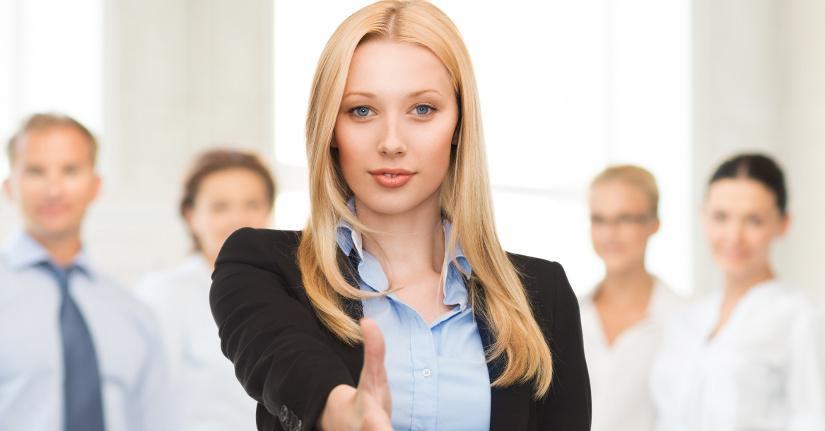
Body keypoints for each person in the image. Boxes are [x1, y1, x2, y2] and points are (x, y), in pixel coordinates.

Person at [209, 1, 591, 430]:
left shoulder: (542, 298)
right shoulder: (262, 266)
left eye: (423, 109)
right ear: (330, 129)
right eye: (362, 110)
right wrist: (339, 412)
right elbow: (283, 361)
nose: (391, 142)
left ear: (460, 126)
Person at [0, 113, 174, 431]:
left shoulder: (133, 314)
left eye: (70, 170)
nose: (53, 189)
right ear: (10, 186)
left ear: (95, 186)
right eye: (36, 171)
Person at [650, 153, 825, 430]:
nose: (734, 236)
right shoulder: (685, 320)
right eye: (720, 217)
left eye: (753, 220)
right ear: (702, 217)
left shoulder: (802, 318)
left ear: (783, 223)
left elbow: (814, 418)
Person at [135, 149, 276, 431]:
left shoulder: (290, 293)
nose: (238, 219)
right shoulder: (162, 295)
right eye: (220, 207)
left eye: (252, 204)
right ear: (191, 216)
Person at [580, 165, 683, 431]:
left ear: (654, 223)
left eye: (625, 219)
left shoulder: (684, 321)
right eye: (599, 220)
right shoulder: (568, 315)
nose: (609, 233)